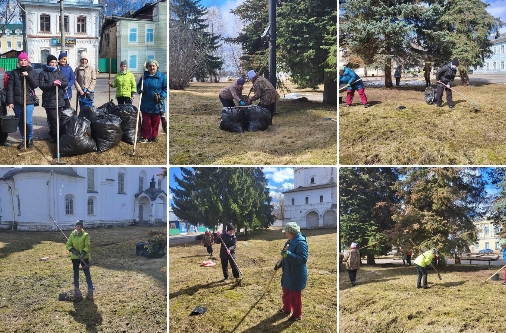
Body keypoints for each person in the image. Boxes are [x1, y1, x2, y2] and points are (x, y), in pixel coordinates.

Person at [275, 222, 308, 321]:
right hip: (287, 273)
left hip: (295, 274)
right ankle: (286, 309)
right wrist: (278, 264)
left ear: (291, 232)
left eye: (286, 232)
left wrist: (288, 254)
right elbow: (283, 256)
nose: (285, 234)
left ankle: (297, 315)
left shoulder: (301, 243)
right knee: (286, 293)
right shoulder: (289, 241)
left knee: (294, 297)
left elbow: (303, 259)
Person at [6, 51, 39, 149]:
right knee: (20, 121)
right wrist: (10, 102)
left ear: (28, 61)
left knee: (28, 121)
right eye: (21, 60)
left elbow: (35, 85)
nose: (23, 62)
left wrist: (27, 76)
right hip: (17, 102)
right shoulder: (14, 72)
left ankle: (29, 138)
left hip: (29, 101)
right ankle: (24, 139)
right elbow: (10, 88)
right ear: (18, 62)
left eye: (25, 60)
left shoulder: (32, 72)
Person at [39, 54, 68, 144]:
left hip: (59, 99)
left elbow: (65, 83)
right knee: (54, 120)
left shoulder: (59, 72)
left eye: (55, 62)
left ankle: (53, 134)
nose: (54, 64)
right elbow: (42, 86)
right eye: (52, 62)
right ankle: (56, 138)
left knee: (58, 120)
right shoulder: (43, 73)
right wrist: (52, 84)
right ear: (48, 63)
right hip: (49, 100)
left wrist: (60, 84)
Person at [137, 59, 167, 143]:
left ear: (157, 67)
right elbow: (138, 86)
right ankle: (146, 136)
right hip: (146, 103)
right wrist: (139, 90)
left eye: (153, 66)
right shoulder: (144, 76)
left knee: (155, 121)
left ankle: (154, 136)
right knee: (146, 121)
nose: (152, 67)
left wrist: (162, 96)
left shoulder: (162, 76)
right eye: (150, 66)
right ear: (147, 67)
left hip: (156, 104)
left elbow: (165, 89)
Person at [65, 220, 95, 299]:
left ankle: (90, 286)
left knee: (87, 272)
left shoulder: (85, 235)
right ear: (76, 226)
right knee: (76, 272)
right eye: (77, 226)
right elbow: (68, 244)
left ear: (82, 227)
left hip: (84, 257)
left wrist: (83, 253)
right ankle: (76, 287)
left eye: (80, 226)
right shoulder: (72, 234)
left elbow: (87, 246)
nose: (79, 228)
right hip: (75, 257)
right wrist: (72, 250)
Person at [0, 66, 11, 146]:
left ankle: (3, 140)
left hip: (1, 101)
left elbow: (6, 85)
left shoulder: (2, 71)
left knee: (2, 120)